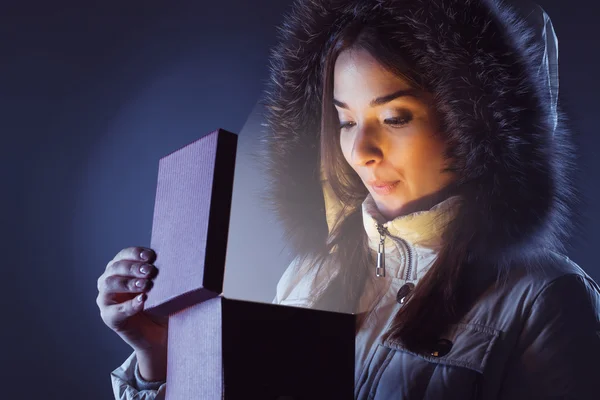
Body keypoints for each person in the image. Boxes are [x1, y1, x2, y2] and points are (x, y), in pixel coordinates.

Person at [97, 0, 600, 399]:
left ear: (476, 125)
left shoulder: (546, 298)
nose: (361, 151)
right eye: (345, 121)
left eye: (395, 117)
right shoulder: (309, 276)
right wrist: (159, 355)